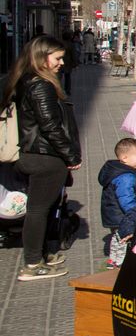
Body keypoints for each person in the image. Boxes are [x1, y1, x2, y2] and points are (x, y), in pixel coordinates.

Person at [4, 36, 81, 280]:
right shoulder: (40, 85)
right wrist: (71, 155)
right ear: (42, 57)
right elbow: (50, 126)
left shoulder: (26, 80)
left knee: (41, 208)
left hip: (34, 154)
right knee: (38, 210)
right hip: (44, 156)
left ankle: (44, 254)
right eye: (57, 58)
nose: (61, 63)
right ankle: (32, 263)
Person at [97, 138, 136, 268]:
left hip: (114, 213)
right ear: (124, 158)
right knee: (123, 238)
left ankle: (113, 261)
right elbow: (126, 199)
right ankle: (120, 264)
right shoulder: (126, 177)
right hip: (122, 215)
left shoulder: (119, 171)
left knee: (117, 238)